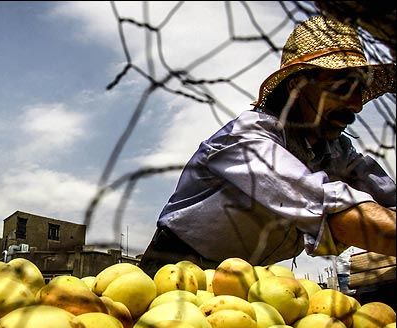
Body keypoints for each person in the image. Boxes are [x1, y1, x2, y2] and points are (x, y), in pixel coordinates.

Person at [139, 15, 396, 277]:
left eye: (359, 89)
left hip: (244, 281)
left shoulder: (337, 152)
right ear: (297, 86)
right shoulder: (248, 139)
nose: (356, 105)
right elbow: (333, 209)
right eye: (342, 87)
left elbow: (387, 196)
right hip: (175, 271)